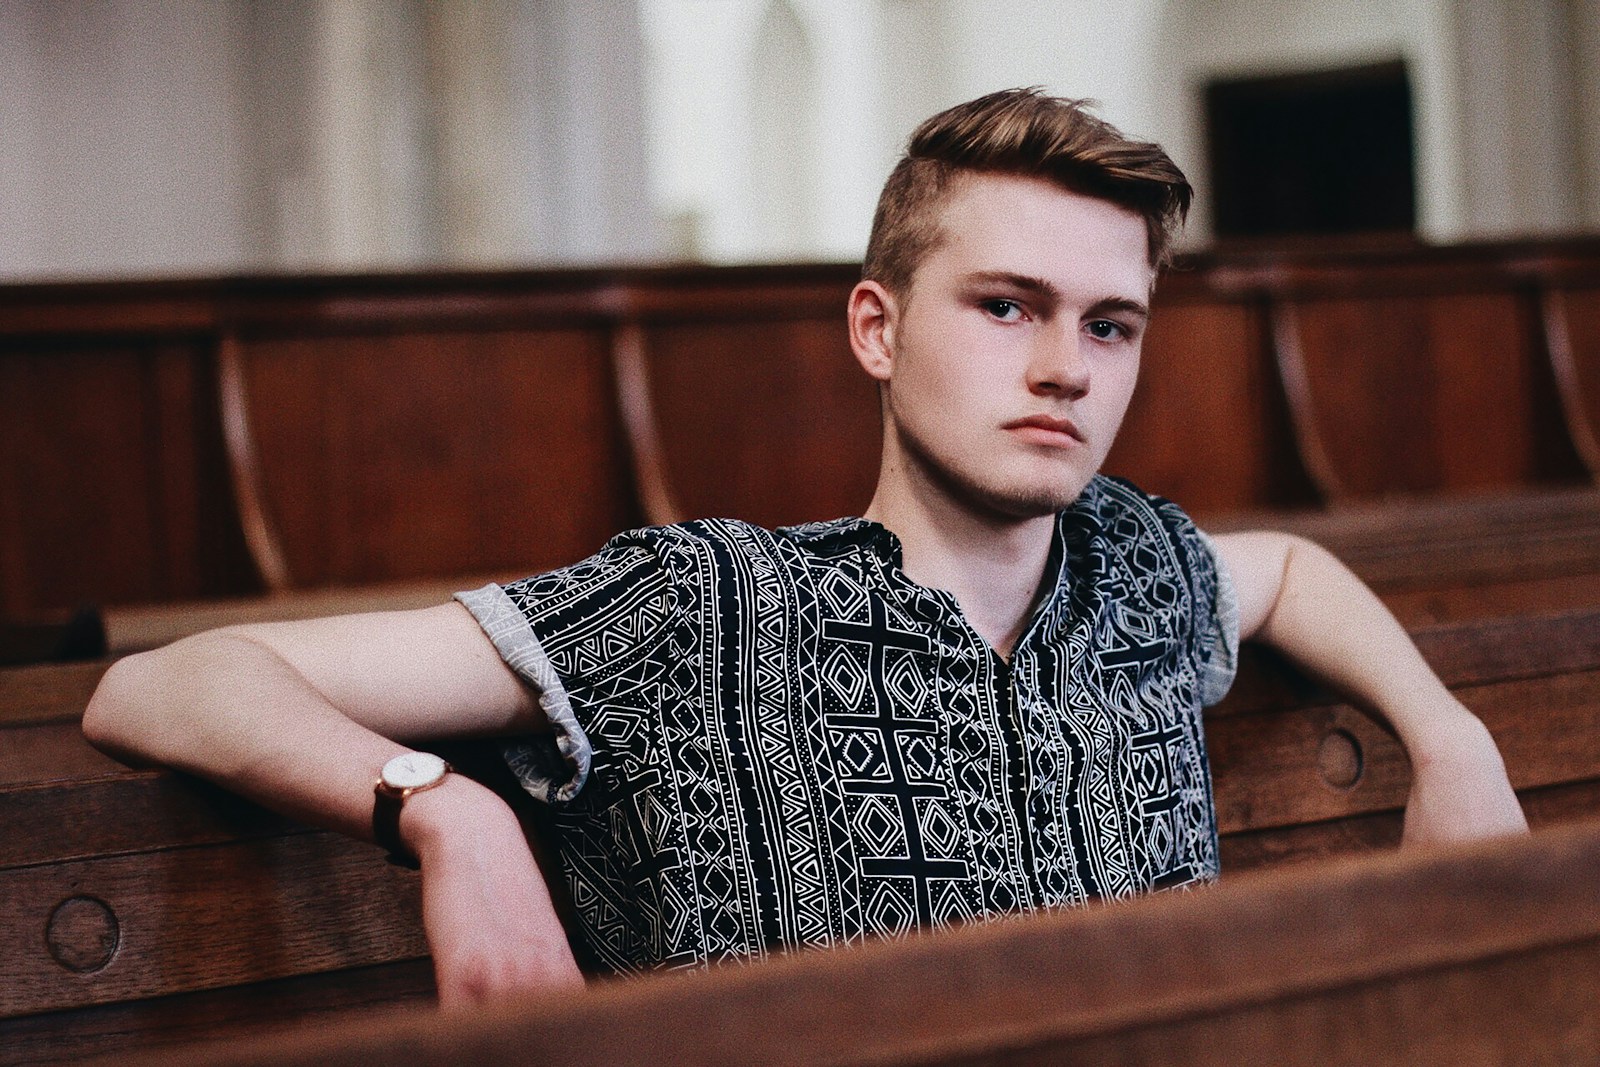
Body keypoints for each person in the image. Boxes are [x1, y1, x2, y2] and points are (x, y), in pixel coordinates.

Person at [82, 88, 1527, 1008]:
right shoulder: (697, 604)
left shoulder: (1138, 566)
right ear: (878, 329)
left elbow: (1283, 572)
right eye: (1007, 306)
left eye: (1109, 324)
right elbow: (162, 685)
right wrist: (446, 814)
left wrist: (1445, 732)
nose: (1066, 370)